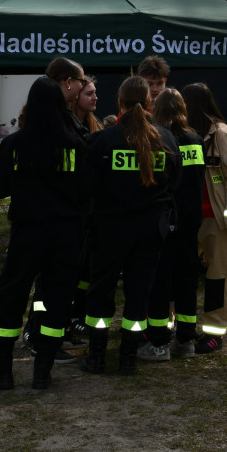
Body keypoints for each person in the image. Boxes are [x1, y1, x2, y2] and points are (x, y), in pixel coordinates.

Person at [0, 76, 89, 391]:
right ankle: (42, 372)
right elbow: (87, 192)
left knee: (12, 295)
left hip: (27, 232)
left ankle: (1, 370)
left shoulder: (14, 144)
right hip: (65, 234)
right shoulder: (76, 146)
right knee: (55, 298)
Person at [81, 76, 181, 376]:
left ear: (119, 103)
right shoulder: (166, 139)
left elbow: (87, 187)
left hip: (109, 229)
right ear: (150, 102)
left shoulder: (101, 141)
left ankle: (97, 356)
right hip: (149, 231)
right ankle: (128, 358)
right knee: (139, 294)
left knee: (101, 292)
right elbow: (173, 185)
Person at [139, 88, 207, 362]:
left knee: (160, 284)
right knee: (187, 283)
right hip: (191, 222)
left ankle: (158, 344)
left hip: (165, 222)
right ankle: (186, 341)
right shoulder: (196, 139)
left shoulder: (160, 139)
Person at [183, 82, 227, 354]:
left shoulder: (221, 133)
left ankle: (214, 332)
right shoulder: (188, 133)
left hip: (217, 219)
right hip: (191, 217)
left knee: (218, 277)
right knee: (184, 274)